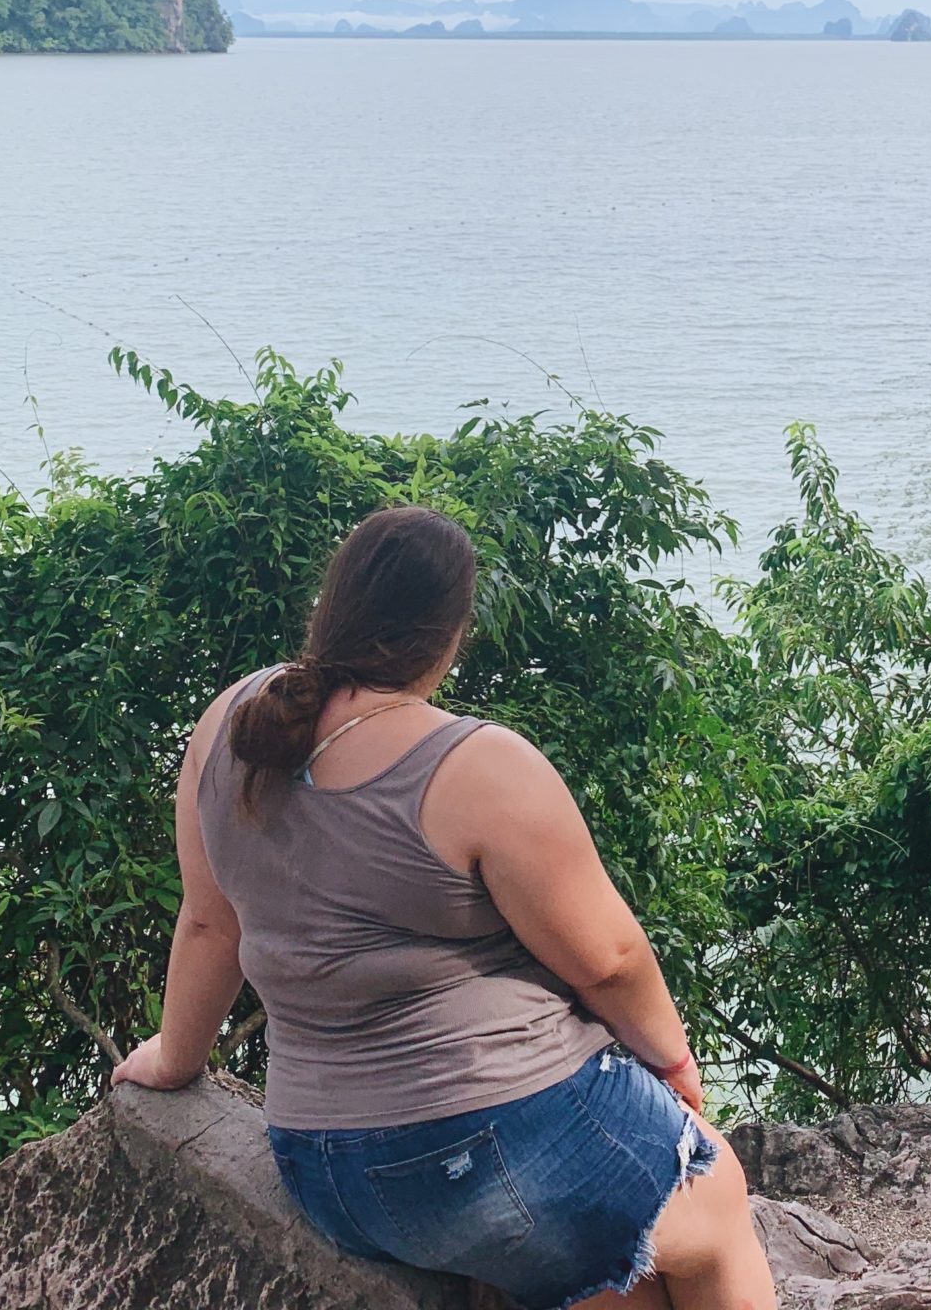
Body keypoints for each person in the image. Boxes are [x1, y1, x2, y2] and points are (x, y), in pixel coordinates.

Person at [113, 504, 775, 1310]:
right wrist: (673, 1065)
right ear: (452, 631)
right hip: (483, 1155)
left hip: (325, 1173)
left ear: (335, 603)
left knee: (613, 1268)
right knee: (714, 1192)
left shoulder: (231, 724)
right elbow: (610, 960)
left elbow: (211, 922)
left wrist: (175, 1060)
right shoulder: (475, 766)